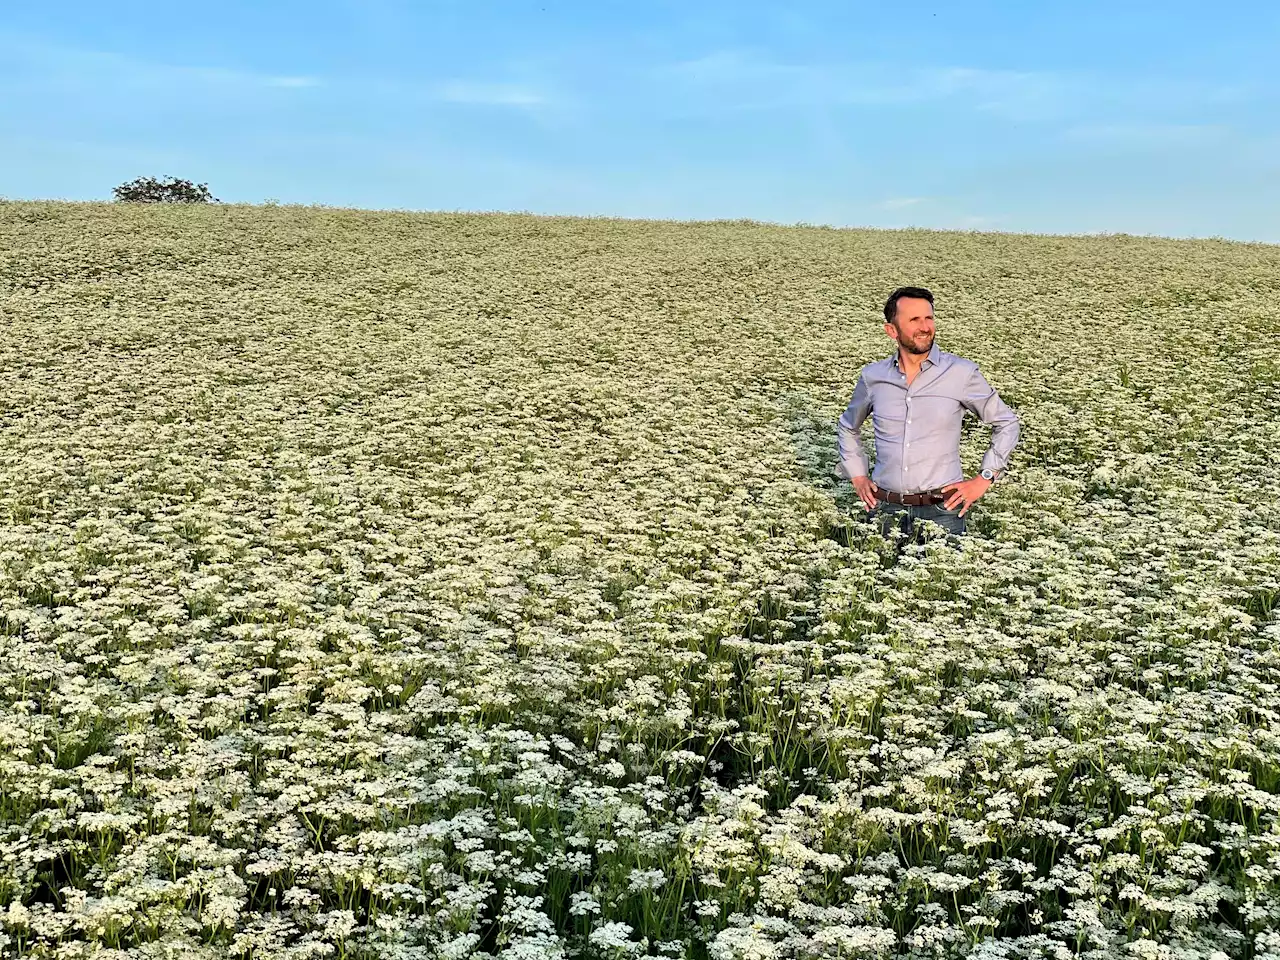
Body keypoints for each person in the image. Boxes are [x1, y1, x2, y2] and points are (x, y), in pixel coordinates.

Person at [836, 286, 1020, 542]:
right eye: (914, 320)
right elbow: (848, 426)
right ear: (892, 330)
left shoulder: (961, 373)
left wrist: (985, 477)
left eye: (929, 318)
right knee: (881, 579)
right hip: (884, 508)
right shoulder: (873, 377)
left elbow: (1007, 422)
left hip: (942, 510)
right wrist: (857, 475)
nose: (925, 327)